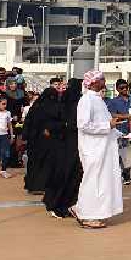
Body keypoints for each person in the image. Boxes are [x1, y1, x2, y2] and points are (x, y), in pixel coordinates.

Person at [74, 70, 124, 229]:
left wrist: (121, 134)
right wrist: (107, 126)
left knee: (102, 181)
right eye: (101, 79)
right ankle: (86, 215)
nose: (104, 81)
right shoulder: (86, 100)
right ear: (93, 83)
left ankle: (92, 212)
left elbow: (107, 123)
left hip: (104, 147)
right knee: (93, 181)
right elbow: (83, 125)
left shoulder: (99, 100)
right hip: (93, 149)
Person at [42, 79, 83, 219]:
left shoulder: (65, 103)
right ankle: (57, 205)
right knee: (65, 176)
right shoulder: (71, 105)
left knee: (70, 176)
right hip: (65, 146)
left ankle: (67, 205)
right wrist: (65, 126)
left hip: (67, 146)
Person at [22, 79, 63, 193]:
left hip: (34, 141)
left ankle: (32, 185)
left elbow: (28, 123)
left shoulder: (35, 107)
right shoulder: (54, 108)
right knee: (45, 164)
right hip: (46, 141)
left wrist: (25, 137)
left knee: (33, 163)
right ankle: (41, 185)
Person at [106, 79, 131, 185]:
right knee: (120, 154)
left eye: (126, 87)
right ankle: (121, 175)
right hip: (120, 131)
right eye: (121, 87)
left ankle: (126, 174)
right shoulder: (113, 102)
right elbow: (112, 115)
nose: (124, 89)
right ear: (117, 89)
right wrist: (127, 116)